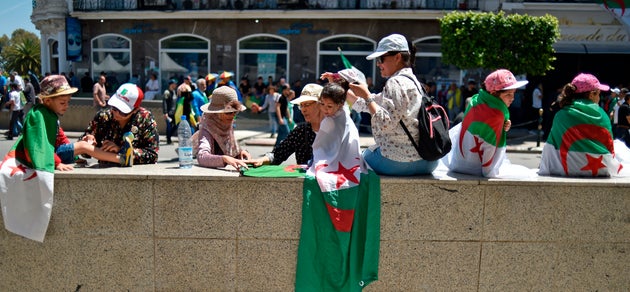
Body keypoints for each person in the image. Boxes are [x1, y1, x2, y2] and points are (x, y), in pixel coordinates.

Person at [348, 33, 437, 176]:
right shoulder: (413, 80)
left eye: (381, 59)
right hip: (426, 161)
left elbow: (384, 123)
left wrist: (366, 95)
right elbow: (376, 104)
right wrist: (350, 93)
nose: (378, 64)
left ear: (397, 57)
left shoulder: (395, 82)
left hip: (397, 162)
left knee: (357, 158)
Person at [441, 69, 530, 178]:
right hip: (475, 169)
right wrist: (490, 174)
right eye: (508, 94)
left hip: (458, 162)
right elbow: (489, 157)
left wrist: (502, 125)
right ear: (494, 93)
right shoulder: (496, 116)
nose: (512, 98)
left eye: (514, 93)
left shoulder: (476, 100)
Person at [539, 73, 629, 177]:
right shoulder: (602, 115)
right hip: (600, 170)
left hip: (565, 170)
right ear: (591, 95)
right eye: (598, 94)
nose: (599, 98)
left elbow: (551, 148)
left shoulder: (560, 115)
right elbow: (609, 148)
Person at [79, 83, 160, 165]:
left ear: (135, 109)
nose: (116, 113)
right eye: (114, 108)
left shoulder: (145, 118)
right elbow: (82, 150)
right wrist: (88, 141)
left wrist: (121, 150)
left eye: (122, 111)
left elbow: (152, 155)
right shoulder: (103, 117)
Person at [246, 83, 324, 166]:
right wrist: (261, 160)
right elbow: (277, 154)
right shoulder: (300, 131)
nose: (303, 110)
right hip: (305, 179)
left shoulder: (335, 130)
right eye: (301, 105)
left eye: (307, 105)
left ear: (321, 105)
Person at [195, 86, 251, 169]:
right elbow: (202, 157)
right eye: (228, 113)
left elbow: (231, 149)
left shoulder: (227, 124)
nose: (232, 116)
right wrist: (224, 159)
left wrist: (240, 153)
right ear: (216, 113)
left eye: (235, 112)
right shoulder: (207, 127)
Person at [162, 79, 178, 144]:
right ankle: (168, 140)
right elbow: (164, 102)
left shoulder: (174, 92)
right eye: (174, 84)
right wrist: (165, 112)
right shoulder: (167, 92)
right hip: (168, 113)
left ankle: (169, 136)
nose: (176, 85)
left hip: (174, 112)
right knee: (169, 127)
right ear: (171, 85)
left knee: (176, 125)